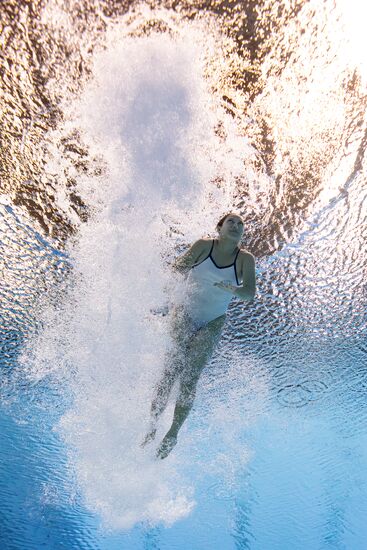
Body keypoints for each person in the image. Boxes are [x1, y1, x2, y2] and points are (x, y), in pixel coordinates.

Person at [142, 212, 256, 459]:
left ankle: (172, 433)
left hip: (213, 321)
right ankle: (151, 426)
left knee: (190, 378)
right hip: (185, 313)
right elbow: (176, 271)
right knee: (170, 372)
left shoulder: (245, 259)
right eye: (231, 222)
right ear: (220, 227)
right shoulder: (204, 246)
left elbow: (249, 294)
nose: (236, 226)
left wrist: (234, 289)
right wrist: (167, 300)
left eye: (240, 224)